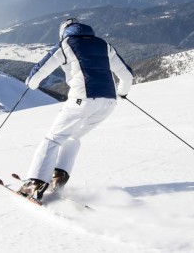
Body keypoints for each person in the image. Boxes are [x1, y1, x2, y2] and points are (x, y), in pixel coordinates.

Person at [17, 18, 133, 201]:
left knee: (53, 139)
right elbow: (127, 75)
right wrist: (122, 93)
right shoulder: (104, 45)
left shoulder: (66, 44)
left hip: (82, 100)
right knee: (73, 136)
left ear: (63, 32)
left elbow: (40, 69)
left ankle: (35, 182)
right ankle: (59, 177)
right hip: (108, 103)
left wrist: (31, 84)